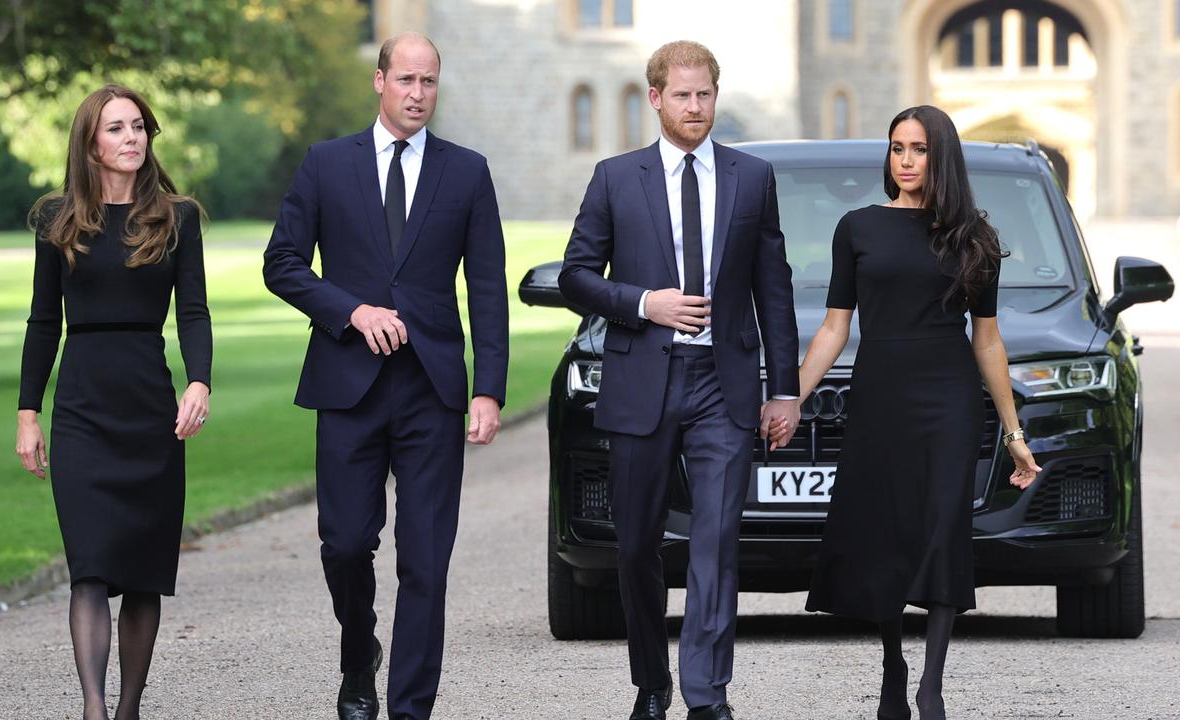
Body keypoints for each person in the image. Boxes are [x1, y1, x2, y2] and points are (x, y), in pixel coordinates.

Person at [262, 33, 508, 720]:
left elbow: (486, 288)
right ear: (379, 81)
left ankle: (410, 708)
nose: (417, 93)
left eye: (429, 82)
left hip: (432, 392)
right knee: (344, 545)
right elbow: (282, 264)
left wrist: (488, 388)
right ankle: (357, 653)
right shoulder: (325, 164)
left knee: (425, 561)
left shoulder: (466, 173)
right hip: (348, 384)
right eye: (405, 79)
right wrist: (351, 311)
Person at [559, 41, 799, 720]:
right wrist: (643, 304)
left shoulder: (752, 177)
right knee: (635, 545)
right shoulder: (614, 178)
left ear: (715, 97)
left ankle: (706, 694)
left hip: (722, 385)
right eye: (683, 96)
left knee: (717, 541)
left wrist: (783, 388)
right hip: (642, 381)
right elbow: (576, 275)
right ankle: (652, 681)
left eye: (706, 95)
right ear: (656, 99)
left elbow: (772, 289)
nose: (696, 107)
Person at [792, 105, 1041, 720]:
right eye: (897, 148)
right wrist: (791, 396)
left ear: (942, 157)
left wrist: (1014, 433)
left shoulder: (974, 238)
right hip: (880, 394)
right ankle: (892, 664)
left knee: (941, 528)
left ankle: (931, 684)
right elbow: (832, 327)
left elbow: (987, 340)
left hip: (949, 399)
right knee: (885, 531)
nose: (905, 161)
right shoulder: (857, 227)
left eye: (919, 150)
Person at [15, 84, 212, 720]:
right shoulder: (57, 219)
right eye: (116, 129)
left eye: (138, 127)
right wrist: (28, 413)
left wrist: (199, 382)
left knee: (144, 570)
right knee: (91, 568)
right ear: (91, 145)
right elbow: (44, 322)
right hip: (81, 407)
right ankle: (95, 710)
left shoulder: (177, 218)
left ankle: (128, 709)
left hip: (149, 407)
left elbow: (195, 313)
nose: (131, 138)